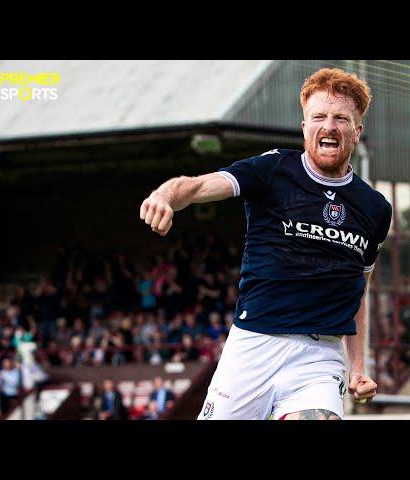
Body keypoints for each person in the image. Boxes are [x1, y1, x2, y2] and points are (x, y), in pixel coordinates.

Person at [139, 68, 391, 420]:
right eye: (319, 116)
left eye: (341, 119)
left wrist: (358, 366)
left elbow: (358, 290)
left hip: (319, 358)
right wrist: (164, 196)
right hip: (254, 344)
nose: (329, 126)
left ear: (357, 131)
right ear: (305, 127)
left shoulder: (375, 208)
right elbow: (197, 187)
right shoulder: (272, 170)